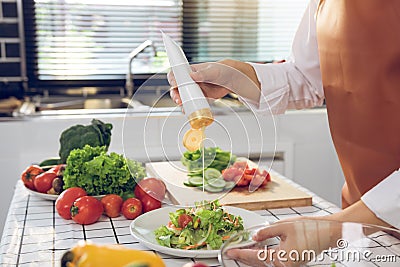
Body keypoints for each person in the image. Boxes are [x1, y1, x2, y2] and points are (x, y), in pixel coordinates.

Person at [169, 0, 400, 265]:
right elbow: (310, 77)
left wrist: (333, 227)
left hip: (364, 218)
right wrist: (234, 76)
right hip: (363, 220)